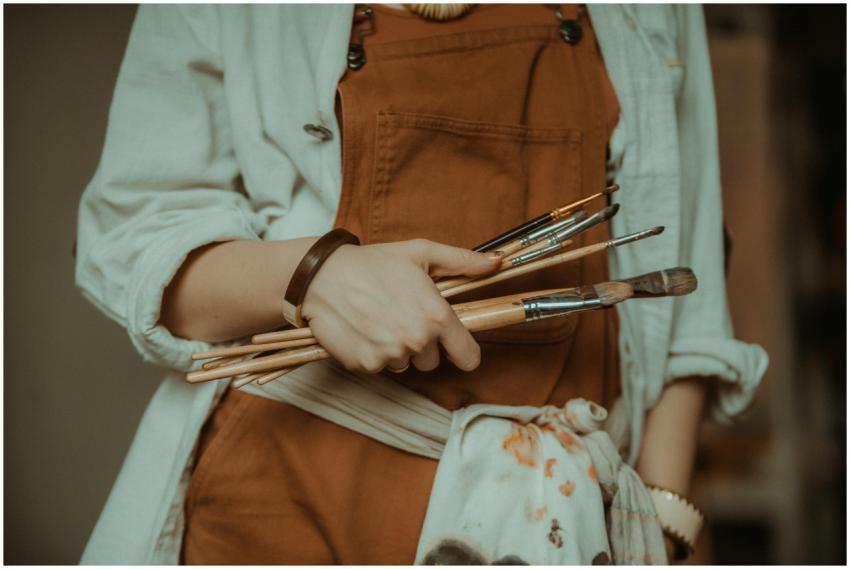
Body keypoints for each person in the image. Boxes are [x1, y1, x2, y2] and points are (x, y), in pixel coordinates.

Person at [75, 4, 768, 564]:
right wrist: (315, 275)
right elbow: (133, 239)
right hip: (287, 499)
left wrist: (665, 527)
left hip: (557, 522)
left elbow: (689, 286)